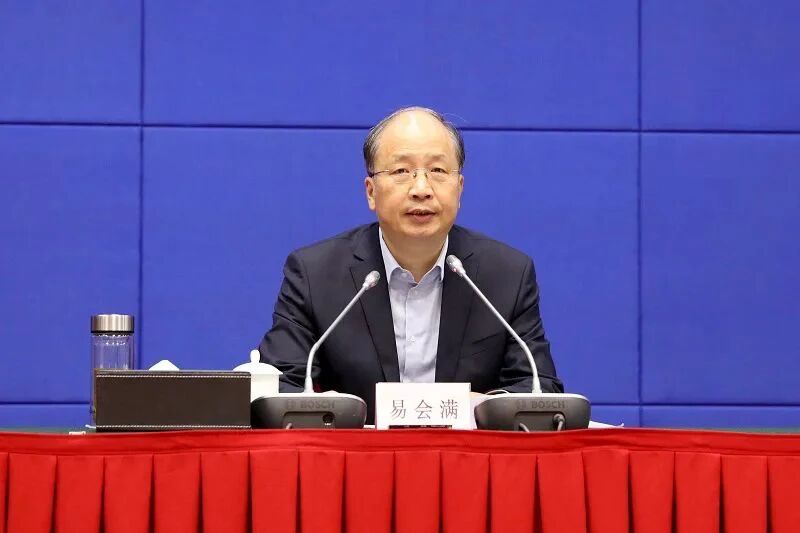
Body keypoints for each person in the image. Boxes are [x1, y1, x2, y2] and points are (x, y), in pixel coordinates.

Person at [258, 106, 563, 422]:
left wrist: (476, 406)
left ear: (459, 189)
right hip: (355, 452)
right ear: (371, 192)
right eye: (402, 171)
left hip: (463, 453)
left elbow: (538, 391)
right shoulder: (315, 274)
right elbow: (278, 387)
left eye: (438, 170)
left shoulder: (507, 275)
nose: (421, 189)